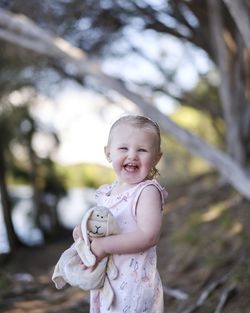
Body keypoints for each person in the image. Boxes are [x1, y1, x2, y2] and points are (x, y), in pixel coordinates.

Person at [73, 114, 168, 313]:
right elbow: (100, 225)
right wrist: (83, 231)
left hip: (133, 286)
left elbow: (149, 236)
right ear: (108, 153)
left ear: (156, 158)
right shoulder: (107, 192)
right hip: (108, 282)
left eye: (142, 150)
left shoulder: (147, 191)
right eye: (123, 148)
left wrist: (104, 246)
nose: (132, 155)